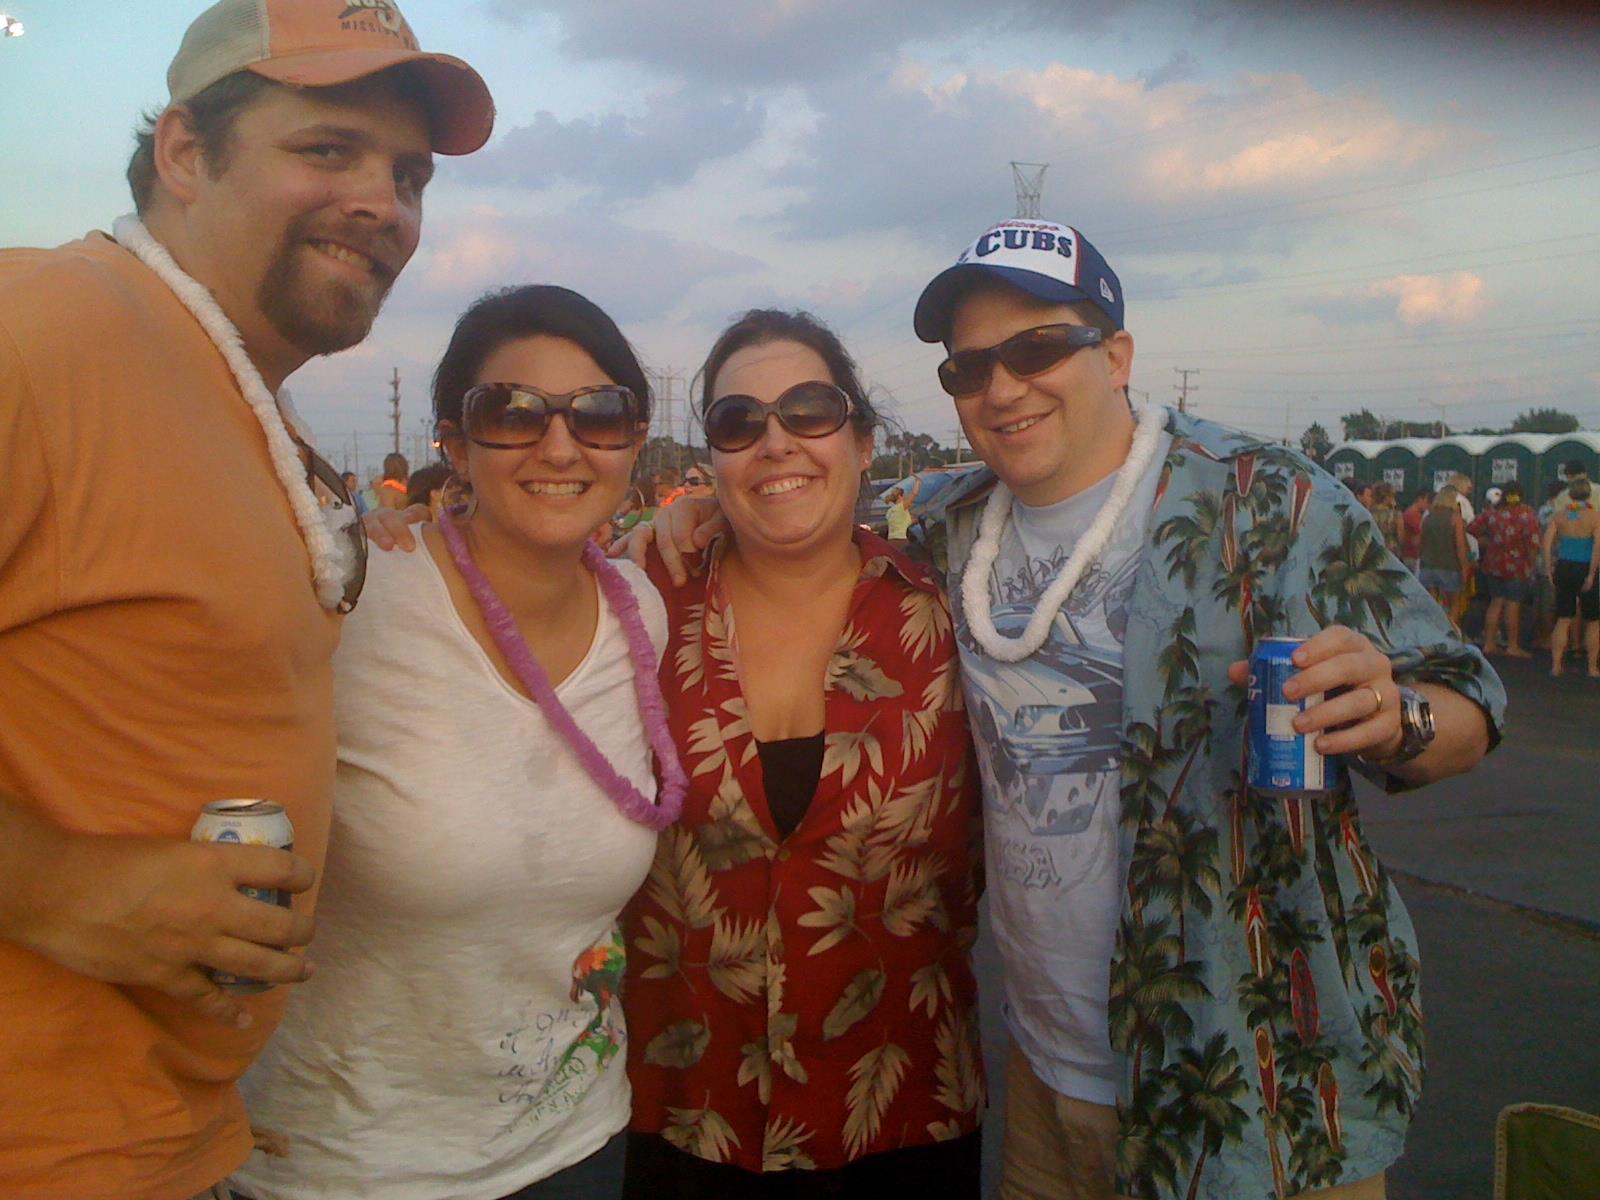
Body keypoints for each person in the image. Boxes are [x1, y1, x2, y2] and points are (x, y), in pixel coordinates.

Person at [0, 1, 493, 1197]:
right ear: (183, 153)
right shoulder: (42, 328)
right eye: (327, 149)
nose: (384, 203)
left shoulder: (237, 391)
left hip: (169, 1136)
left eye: (408, 173)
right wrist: (55, 884)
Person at [907, 220, 1501, 1200]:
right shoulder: (952, 527)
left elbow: (1468, 699)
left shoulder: (1270, 505)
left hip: (1261, 1096)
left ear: (1117, 356)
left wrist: (1398, 720)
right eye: (967, 369)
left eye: (1036, 348)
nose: (1000, 387)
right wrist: (698, 510)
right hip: (1050, 1087)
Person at [235, 286, 682, 1200]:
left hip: (577, 1147)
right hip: (348, 1167)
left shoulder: (641, 613)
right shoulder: (353, 600)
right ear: (454, 442)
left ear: (633, 441)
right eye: (511, 413)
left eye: (598, 414)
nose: (560, 445)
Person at [620, 310, 985, 1197]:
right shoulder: (636, 606)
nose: (776, 442)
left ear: (863, 439)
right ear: (713, 459)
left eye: (810, 411)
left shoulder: (958, 604)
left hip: (902, 1109)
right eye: (740, 423)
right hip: (680, 1117)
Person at [1469, 482, 1540, 657]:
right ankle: (1513, 646)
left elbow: (1471, 528)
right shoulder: (1526, 515)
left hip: (1493, 563)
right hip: (1517, 565)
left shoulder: (1492, 513)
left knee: (1496, 601)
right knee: (1513, 604)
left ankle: (1489, 643)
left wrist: (1489, 541)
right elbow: (1533, 543)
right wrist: (1531, 565)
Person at [1541, 474, 1600, 678]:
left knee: (1564, 617)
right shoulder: (1595, 517)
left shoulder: (1560, 516)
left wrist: (1549, 568)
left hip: (1564, 566)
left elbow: (1547, 542)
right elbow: (1597, 548)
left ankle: (1556, 665)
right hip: (1585, 566)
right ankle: (1592, 667)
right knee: (1593, 619)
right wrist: (1592, 573)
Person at [1418, 485, 1471, 612]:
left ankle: (1432, 630)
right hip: (1449, 567)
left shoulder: (1427, 518)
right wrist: (1464, 568)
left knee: (1430, 608)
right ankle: (1450, 629)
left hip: (1428, 568)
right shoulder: (1455, 519)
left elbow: (1421, 543)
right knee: (1454, 605)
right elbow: (1460, 546)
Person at [1399, 487, 1433, 574]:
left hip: (1415, 556)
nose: (1429, 504)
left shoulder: (1419, 515)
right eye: (1427, 501)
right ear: (1420, 499)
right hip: (1411, 556)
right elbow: (1422, 532)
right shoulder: (1412, 514)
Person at [884, 475, 924, 545]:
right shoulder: (901, 507)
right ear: (900, 496)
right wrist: (918, 481)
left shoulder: (890, 511)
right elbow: (914, 494)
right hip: (901, 541)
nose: (905, 497)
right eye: (904, 495)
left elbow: (900, 522)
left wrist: (914, 520)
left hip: (890, 541)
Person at [1368, 480, 1402, 557]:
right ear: (1387, 497)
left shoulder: (1368, 513)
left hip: (1372, 553)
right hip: (1390, 552)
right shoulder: (1396, 515)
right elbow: (1401, 538)